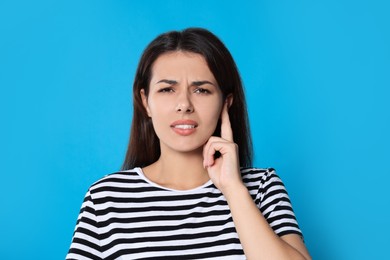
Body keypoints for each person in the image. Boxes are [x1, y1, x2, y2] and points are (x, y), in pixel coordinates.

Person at [66, 28, 311, 260]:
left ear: (226, 103)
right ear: (145, 102)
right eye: (167, 90)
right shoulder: (105, 198)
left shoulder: (261, 187)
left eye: (202, 90)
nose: (184, 104)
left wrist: (233, 189)